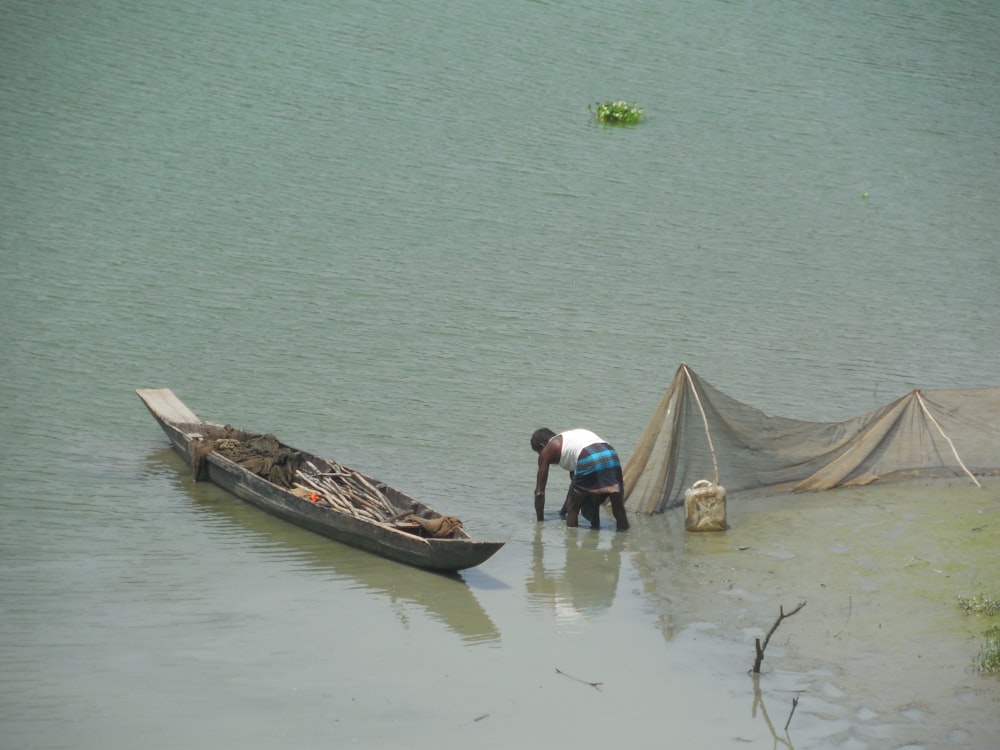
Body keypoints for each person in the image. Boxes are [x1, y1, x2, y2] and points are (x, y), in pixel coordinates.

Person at [530, 427, 629, 531]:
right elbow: (575, 487)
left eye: (539, 452)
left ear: (542, 446)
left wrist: (539, 523)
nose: (541, 455)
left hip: (587, 456)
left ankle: (571, 543)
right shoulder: (570, 442)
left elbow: (539, 493)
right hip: (610, 454)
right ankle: (623, 538)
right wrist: (562, 512)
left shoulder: (548, 449)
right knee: (618, 507)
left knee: (573, 509)